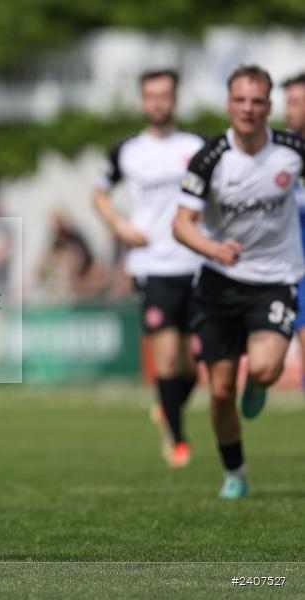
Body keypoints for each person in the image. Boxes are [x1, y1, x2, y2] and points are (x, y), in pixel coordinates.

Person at [173, 65, 305, 499]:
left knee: (266, 369)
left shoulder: (291, 149)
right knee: (221, 391)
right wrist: (213, 250)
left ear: (269, 106)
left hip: (275, 278)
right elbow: (181, 224)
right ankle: (236, 473)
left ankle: (259, 382)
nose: (248, 109)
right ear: (229, 103)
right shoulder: (210, 158)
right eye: (240, 100)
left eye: (257, 101)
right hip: (220, 281)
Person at [93, 69, 205, 468]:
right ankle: (178, 440)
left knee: (197, 362)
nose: (158, 102)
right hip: (152, 265)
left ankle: (167, 402)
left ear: (174, 99)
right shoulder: (127, 150)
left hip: (195, 264)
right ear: (143, 101)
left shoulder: (197, 146)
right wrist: (120, 226)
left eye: (165, 95)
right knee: (169, 358)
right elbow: (99, 193)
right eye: (151, 96)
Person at [282, 73, 305, 391]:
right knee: (266, 364)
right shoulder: (276, 152)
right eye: (288, 102)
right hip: (287, 266)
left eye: (297, 103)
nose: (290, 110)